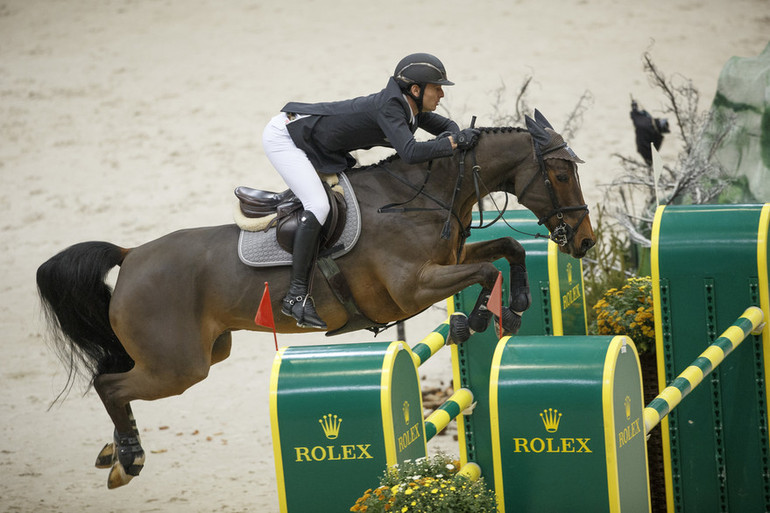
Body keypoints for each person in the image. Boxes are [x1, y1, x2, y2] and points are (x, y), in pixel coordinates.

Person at [262, 52, 480, 330]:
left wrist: (454, 137)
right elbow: (411, 152)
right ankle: (295, 296)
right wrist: (453, 143)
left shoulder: (407, 107)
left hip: (311, 139)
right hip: (285, 137)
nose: (441, 94)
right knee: (318, 205)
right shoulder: (391, 108)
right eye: (437, 88)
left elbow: (447, 126)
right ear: (416, 90)